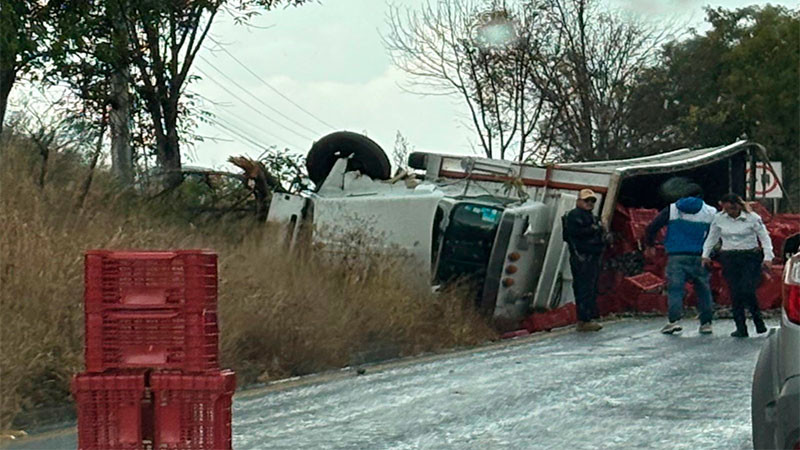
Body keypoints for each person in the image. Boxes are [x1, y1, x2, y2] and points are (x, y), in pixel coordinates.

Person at [645, 188, 717, 335]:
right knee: (703, 289)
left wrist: (650, 244)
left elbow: (652, 227)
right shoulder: (710, 211)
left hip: (676, 256)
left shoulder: (672, 209)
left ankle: (674, 321)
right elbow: (716, 234)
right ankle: (706, 323)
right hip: (700, 256)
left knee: (676, 289)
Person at [702, 193, 774, 338]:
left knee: (747, 289)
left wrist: (768, 257)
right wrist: (705, 255)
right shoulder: (719, 219)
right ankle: (740, 327)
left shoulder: (753, 218)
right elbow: (712, 237)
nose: (728, 212)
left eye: (730, 209)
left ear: (737, 206)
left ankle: (757, 320)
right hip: (729, 257)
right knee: (735, 293)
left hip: (750, 256)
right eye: (725, 209)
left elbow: (764, 237)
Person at [564, 188, 606, 332]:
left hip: (592, 256)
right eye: (586, 200)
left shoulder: (591, 216)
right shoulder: (574, 215)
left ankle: (588, 316)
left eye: (592, 201)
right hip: (581, 257)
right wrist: (595, 229)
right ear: (579, 201)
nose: (589, 203)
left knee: (590, 288)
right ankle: (584, 320)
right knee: (583, 289)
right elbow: (574, 234)